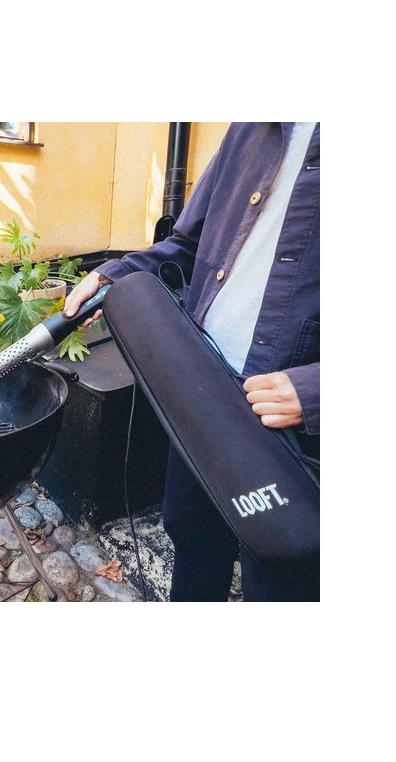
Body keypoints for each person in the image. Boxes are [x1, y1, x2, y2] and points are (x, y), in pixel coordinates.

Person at [64, 122, 320, 602]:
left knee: (282, 580)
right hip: (201, 390)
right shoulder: (250, 127)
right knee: (193, 539)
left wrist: (317, 389)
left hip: (294, 430)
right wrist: (117, 273)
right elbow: (187, 245)